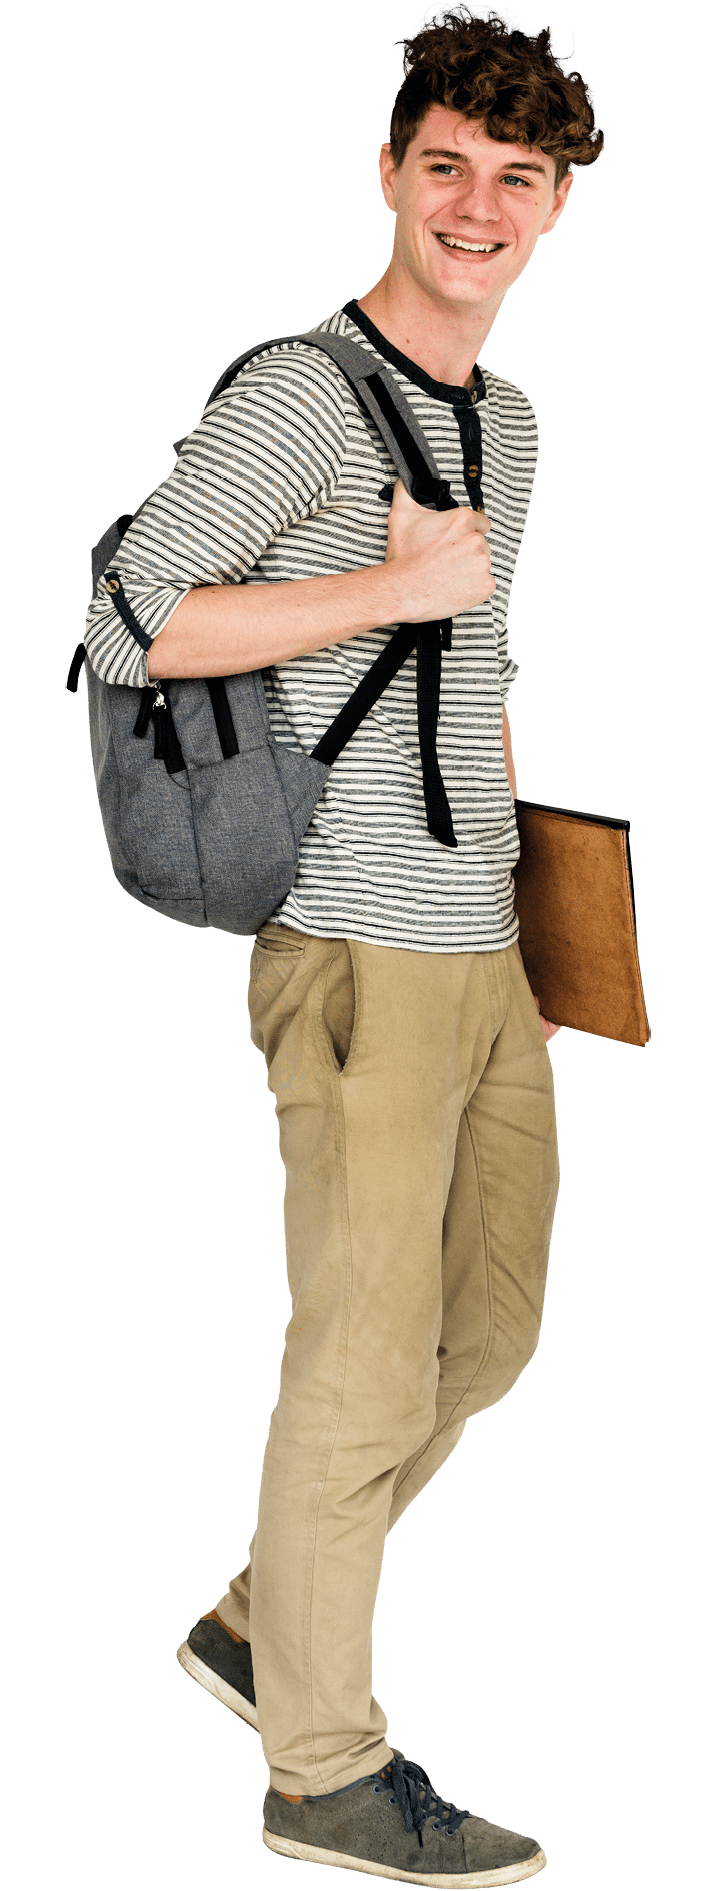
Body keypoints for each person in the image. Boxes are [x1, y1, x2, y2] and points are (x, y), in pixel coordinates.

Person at [83, 5, 604, 1881]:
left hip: (485, 956)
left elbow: (475, 675)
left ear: (554, 208)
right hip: (348, 942)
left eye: (516, 179)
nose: (477, 205)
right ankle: (321, 1762)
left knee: (493, 1333)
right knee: (362, 1365)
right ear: (391, 169)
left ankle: (252, 1618)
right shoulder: (304, 396)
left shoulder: (511, 420)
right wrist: (394, 579)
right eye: (446, 165)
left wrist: (548, 923)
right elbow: (126, 620)